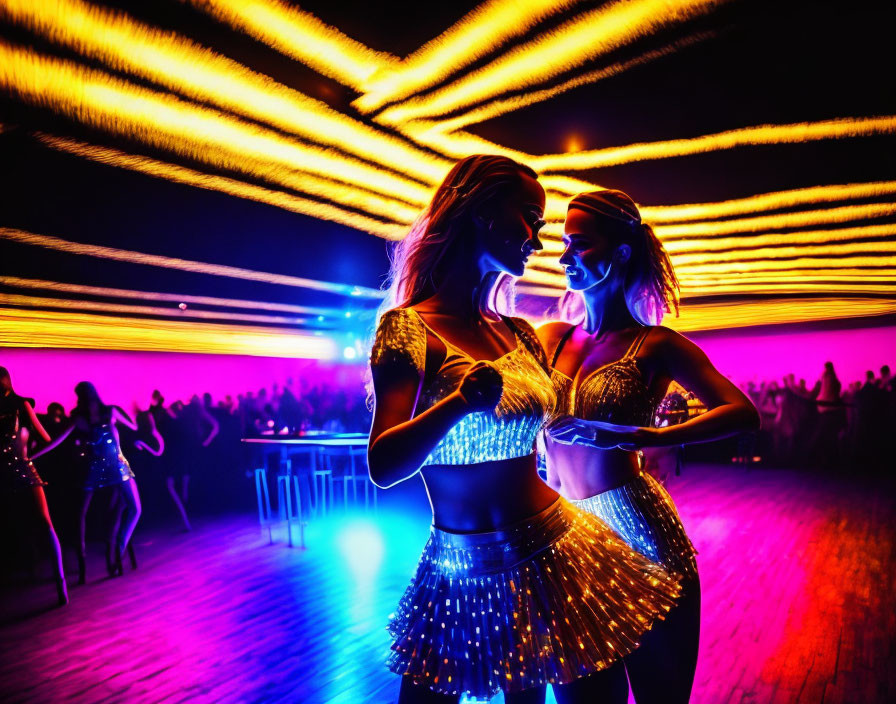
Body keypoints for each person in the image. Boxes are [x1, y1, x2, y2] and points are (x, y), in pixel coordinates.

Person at [367, 157, 681, 704]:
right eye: (529, 219)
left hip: (555, 550)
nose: (538, 241)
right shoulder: (409, 329)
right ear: (483, 213)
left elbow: (554, 430)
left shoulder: (517, 332)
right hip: (456, 568)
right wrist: (458, 405)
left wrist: (632, 429)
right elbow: (383, 465)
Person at [537, 190, 760, 704]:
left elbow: (742, 412)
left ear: (619, 254)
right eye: (563, 243)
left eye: (580, 244)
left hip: (639, 530)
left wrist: (655, 437)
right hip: (565, 533)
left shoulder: (657, 344)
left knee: (661, 694)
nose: (565, 256)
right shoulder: (548, 338)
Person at [33, 382, 142, 582]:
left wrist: (34, 455)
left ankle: (95, 555)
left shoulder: (80, 419)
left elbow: (55, 441)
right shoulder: (110, 411)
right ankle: (118, 546)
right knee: (133, 508)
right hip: (116, 465)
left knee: (82, 513)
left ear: (80, 397)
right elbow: (134, 427)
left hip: (95, 467)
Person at [0, 367, 68, 605]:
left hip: (21, 469)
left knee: (44, 521)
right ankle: (55, 582)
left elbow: (46, 438)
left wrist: (30, 456)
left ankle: (61, 584)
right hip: (11, 470)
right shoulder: (19, 405)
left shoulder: (21, 405)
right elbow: (45, 439)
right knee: (36, 522)